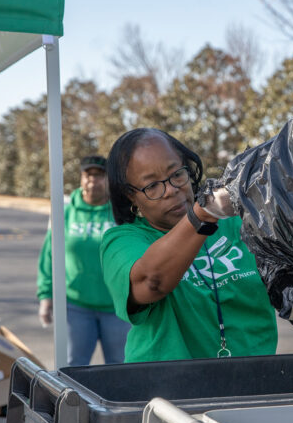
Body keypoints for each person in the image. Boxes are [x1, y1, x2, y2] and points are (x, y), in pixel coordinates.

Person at [99, 128, 277, 362]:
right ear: (131, 195)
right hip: (166, 390)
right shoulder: (122, 242)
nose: (171, 190)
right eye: (152, 186)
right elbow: (151, 282)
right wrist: (203, 214)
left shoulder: (236, 224)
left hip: (255, 381)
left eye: (177, 175)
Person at [37, 155, 132, 366]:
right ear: (81, 179)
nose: (93, 181)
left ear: (109, 180)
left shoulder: (122, 212)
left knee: (121, 367)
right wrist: (46, 296)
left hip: (117, 307)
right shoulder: (64, 212)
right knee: (73, 366)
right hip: (75, 307)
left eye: (99, 176)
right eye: (88, 176)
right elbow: (49, 254)